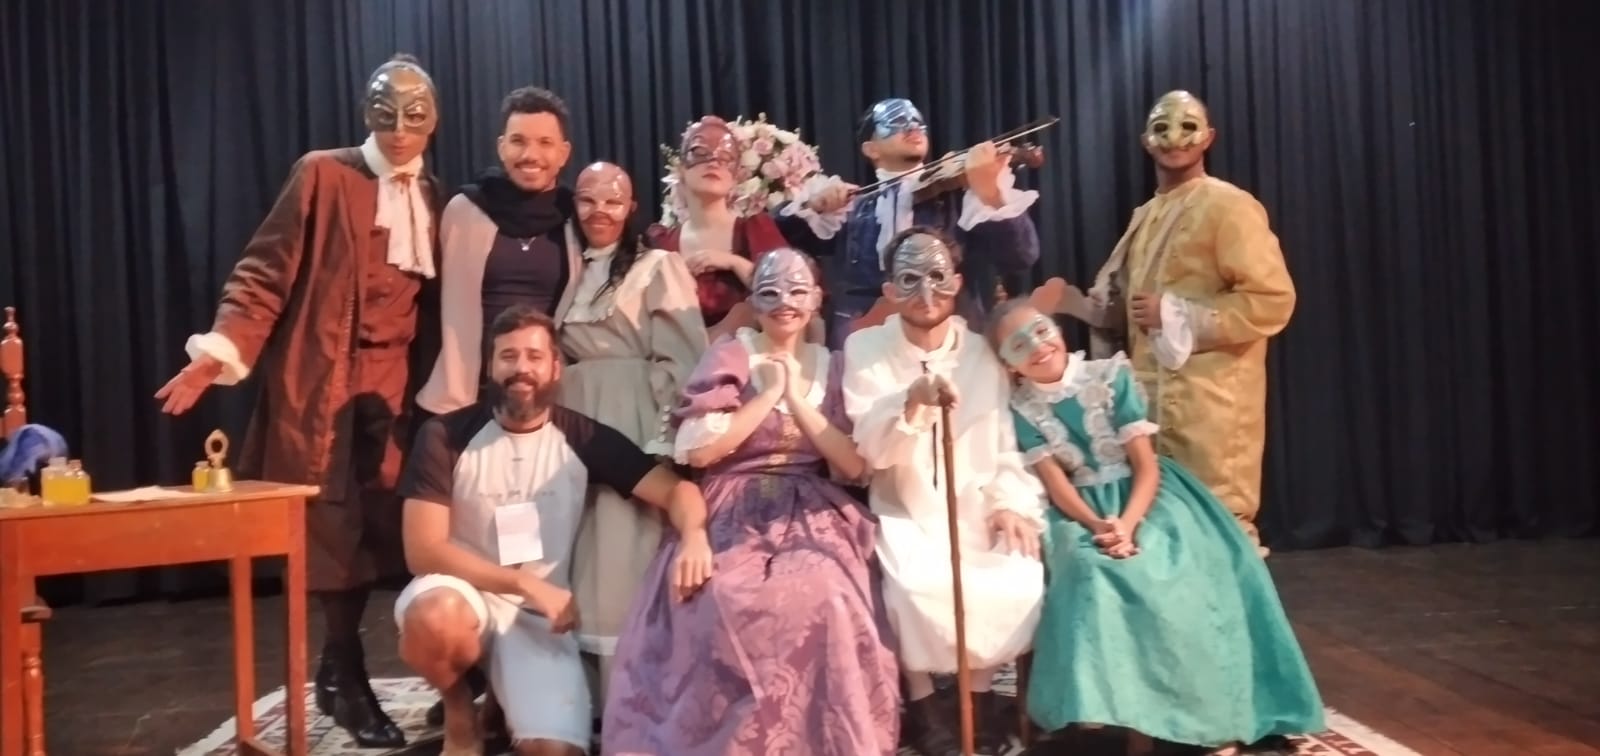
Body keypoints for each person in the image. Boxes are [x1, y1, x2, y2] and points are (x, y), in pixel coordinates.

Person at [153, 54, 443, 748]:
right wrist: (220, 349)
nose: (400, 129)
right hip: (324, 379)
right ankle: (346, 672)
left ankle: (344, 670)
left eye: (415, 115)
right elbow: (263, 273)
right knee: (331, 530)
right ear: (366, 112)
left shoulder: (432, 194)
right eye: (386, 113)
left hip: (396, 388)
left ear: (433, 121)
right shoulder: (322, 173)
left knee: (382, 526)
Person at [984, 299, 1325, 754]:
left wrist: (1127, 525)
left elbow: (1146, 467)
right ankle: (1128, 723)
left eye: (1042, 331)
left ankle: (1211, 717)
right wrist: (1098, 525)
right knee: (1090, 571)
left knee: (1171, 573)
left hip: (1145, 498)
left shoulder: (1108, 376)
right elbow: (1057, 484)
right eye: (1019, 345)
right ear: (1010, 364)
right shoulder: (1023, 409)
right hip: (1082, 510)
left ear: (1057, 330)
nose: (1038, 347)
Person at [602, 249, 900, 755]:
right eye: (770, 291)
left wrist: (798, 400)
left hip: (811, 507)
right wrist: (767, 395)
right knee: (723, 595)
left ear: (817, 298)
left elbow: (853, 465)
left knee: (829, 594)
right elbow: (699, 450)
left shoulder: (833, 364)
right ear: (754, 301)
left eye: (798, 290)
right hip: (731, 501)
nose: (785, 302)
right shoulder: (731, 355)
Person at [394, 305, 714, 756]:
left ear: (556, 368)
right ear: (490, 366)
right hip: (462, 592)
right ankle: (460, 711)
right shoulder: (444, 435)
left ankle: (505, 706)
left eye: (534, 356)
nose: (521, 368)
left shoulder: (581, 437)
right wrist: (524, 583)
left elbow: (678, 492)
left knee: (554, 751)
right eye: (508, 356)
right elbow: (423, 550)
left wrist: (695, 536)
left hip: (537, 618)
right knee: (435, 619)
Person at [1058, 90, 1295, 553]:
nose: (1173, 137)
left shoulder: (1229, 205)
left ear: (1209, 137)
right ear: (1145, 140)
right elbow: (1131, 312)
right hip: (1150, 403)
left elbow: (1272, 299)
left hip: (1211, 404)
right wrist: (1081, 306)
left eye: (1188, 126)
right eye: (1161, 127)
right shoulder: (1147, 214)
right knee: (1165, 530)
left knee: (1219, 525)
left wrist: (1178, 316)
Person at [842, 227, 1046, 755]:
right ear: (889, 290)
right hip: (904, 508)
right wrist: (910, 402)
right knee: (913, 589)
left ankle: (977, 699)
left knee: (1016, 577)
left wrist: (1007, 503)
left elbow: (1002, 442)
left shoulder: (980, 352)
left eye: (937, 277)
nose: (926, 293)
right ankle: (925, 705)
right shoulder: (865, 348)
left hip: (976, 505)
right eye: (910, 279)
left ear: (956, 282)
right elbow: (871, 450)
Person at [557, 161, 707, 710]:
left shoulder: (657, 266)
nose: (599, 211)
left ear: (631, 207)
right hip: (571, 411)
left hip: (631, 414)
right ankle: (581, 699)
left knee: (623, 545)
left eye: (613, 201)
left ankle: (635, 700)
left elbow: (685, 355)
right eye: (588, 199)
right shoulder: (566, 266)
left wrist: (665, 435)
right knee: (579, 546)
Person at [783, 97, 1041, 348]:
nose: (913, 127)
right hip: (864, 339)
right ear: (871, 149)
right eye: (896, 122)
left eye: (918, 122)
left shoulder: (960, 196)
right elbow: (783, 237)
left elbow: (1022, 256)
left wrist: (991, 194)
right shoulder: (849, 207)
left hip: (948, 336)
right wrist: (815, 205)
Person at [417, 86, 585, 419]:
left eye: (545, 143)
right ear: (501, 146)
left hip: (543, 398)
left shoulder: (576, 218)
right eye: (518, 141)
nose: (530, 154)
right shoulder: (464, 210)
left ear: (564, 153)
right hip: (463, 395)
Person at [644, 116, 794, 332]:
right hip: (673, 351)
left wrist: (735, 263)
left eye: (725, 157)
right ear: (682, 170)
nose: (713, 161)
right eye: (700, 153)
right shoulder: (660, 242)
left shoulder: (755, 231)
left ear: (735, 176)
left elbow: (791, 295)